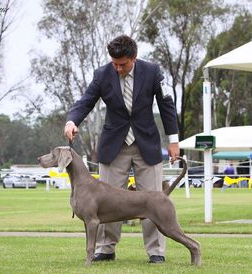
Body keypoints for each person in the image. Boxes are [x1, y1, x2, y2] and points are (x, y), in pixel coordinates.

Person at [64, 35, 179, 264]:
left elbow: (166, 104)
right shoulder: (102, 74)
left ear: (134, 58)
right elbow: (86, 101)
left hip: (146, 144)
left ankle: (156, 251)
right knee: (106, 201)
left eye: (122, 64)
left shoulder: (153, 72)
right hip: (113, 147)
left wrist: (173, 140)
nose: (117, 68)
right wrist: (71, 121)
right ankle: (105, 248)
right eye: (114, 63)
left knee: (153, 200)